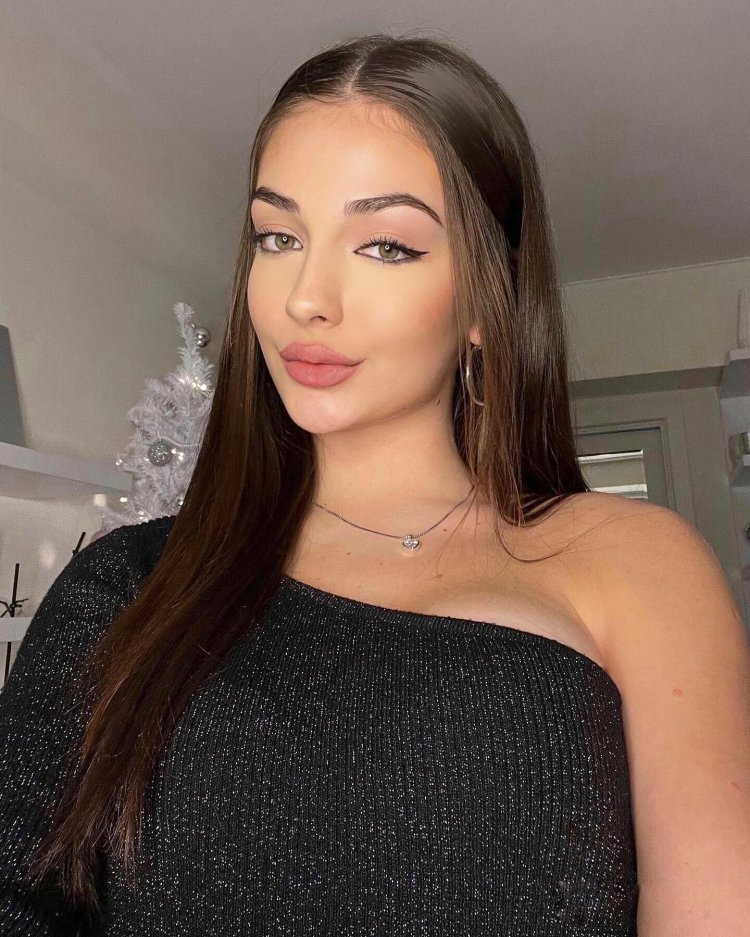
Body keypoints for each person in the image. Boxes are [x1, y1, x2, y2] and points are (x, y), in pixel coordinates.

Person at [2, 31, 749, 937]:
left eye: (387, 246)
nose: (306, 297)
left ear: (486, 298)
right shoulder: (128, 586)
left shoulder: (636, 564)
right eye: (279, 236)